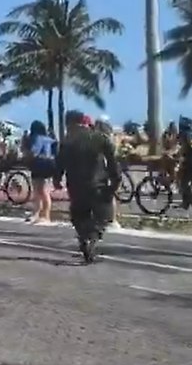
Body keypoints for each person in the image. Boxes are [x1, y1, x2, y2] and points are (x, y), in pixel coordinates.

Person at [54, 110, 121, 264]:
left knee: (79, 215)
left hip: (76, 186)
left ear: (70, 123)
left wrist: (57, 179)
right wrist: (116, 179)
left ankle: (84, 237)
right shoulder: (99, 138)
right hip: (98, 184)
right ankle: (92, 238)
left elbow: (59, 164)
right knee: (103, 215)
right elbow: (112, 160)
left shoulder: (67, 141)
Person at [25, 120, 56, 225]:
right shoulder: (50, 140)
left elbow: (34, 151)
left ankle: (39, 214)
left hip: (38, 166)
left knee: (39, 191)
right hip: (49, 166)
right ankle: (44, 215)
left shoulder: (37, 138)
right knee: (44, 191)